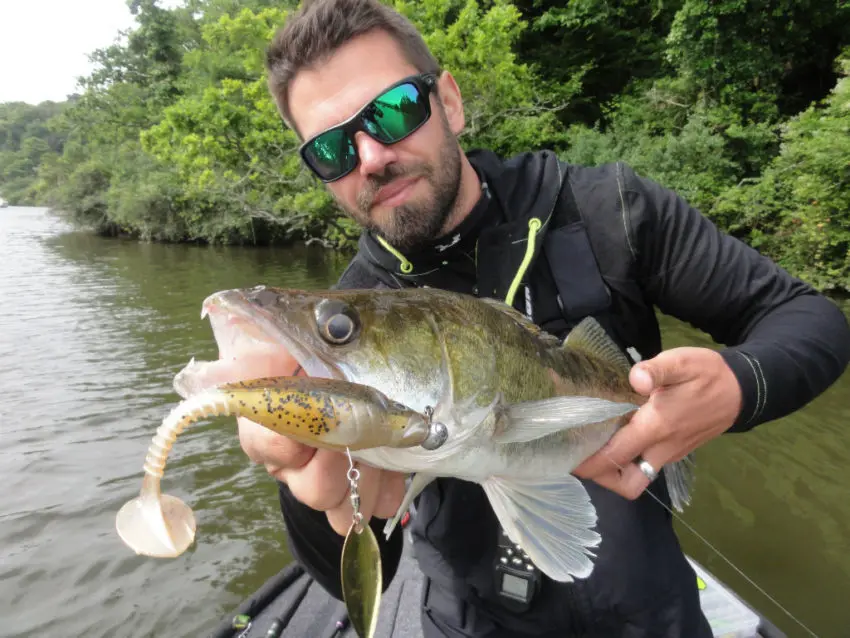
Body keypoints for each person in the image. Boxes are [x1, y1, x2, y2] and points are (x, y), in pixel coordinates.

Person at [237, 0, 850, 635]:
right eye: (331, 150)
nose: (369, 157)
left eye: (393, 112)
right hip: (469, 621)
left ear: (447, 102)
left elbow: (810, 318)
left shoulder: (609, 208)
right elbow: (358, 576)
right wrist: (328, 505)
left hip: (651, 613)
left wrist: (739, 384)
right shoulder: (349, 316)